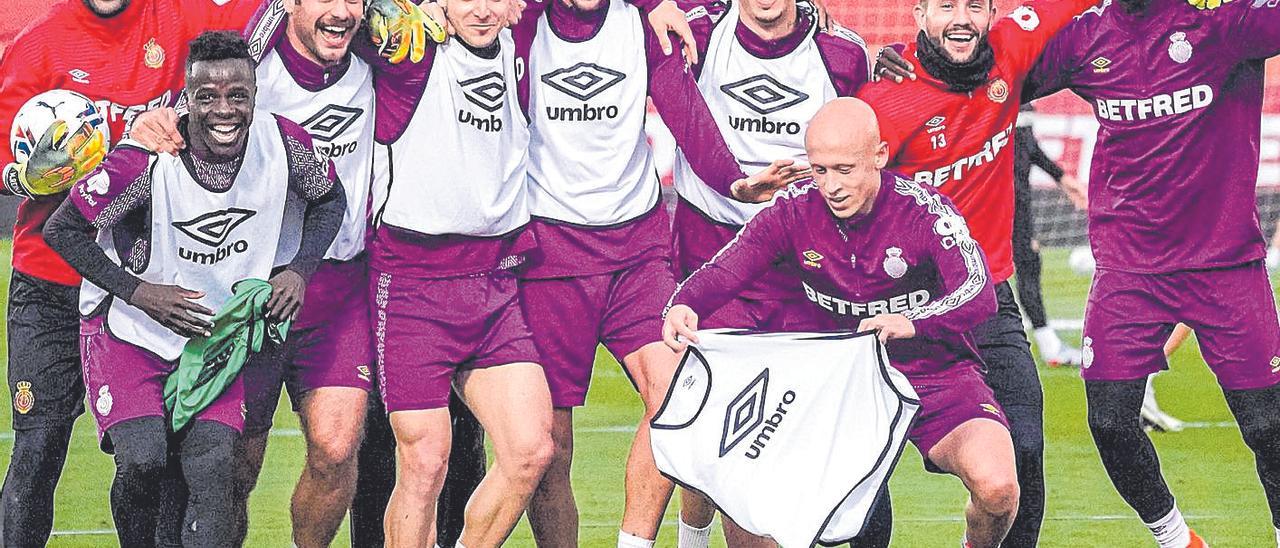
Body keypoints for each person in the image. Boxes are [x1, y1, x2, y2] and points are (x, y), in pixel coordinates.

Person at [663, 97, 1019, 548]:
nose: (831, 185)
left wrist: (911, 322)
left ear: (879, 156)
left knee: (998, 489)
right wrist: (684, 302)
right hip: (842, 384)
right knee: (794, 519)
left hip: (934, 373)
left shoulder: (926, 210)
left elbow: (979, 291)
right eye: (820, 170)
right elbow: (729, 267)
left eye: (845, 169)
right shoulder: (794, 209)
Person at [514, 0, 806, 545]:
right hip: (549, 260)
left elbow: (687, 115)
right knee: (548, 449)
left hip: (637, 254)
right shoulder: (526, 23)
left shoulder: (645, 24)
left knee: (679, 401)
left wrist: (737, 183)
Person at [42, 30, 346, 546]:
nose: (223, 110)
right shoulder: (146, 162)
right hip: (131, 333)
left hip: (213, 339)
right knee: (143, 459)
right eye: (207, 97)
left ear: (255, 96)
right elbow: (62, 230)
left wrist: (299, 268)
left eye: (237, 96)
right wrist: (138, 292)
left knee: (217, 466)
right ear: (187, 99)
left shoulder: (285, 144)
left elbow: (329, 200)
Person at [0, 1, 261, 545]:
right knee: (38, 449)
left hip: (144, 291)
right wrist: (41, 172)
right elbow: (6, 161)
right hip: (52, 285)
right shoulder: (40, 44)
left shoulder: (182, 22)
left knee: (155, 459)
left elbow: (267, 23)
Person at [1022, 0, 1280, 544]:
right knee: (1111, 422)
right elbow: (998, 78)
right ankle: (1178, 538)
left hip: (1226, 262)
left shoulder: (1221, 21)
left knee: (1269, 425)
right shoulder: (1085, 35)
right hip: (1129, 267)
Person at [857, 0, 1097, 542]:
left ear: (993, 14)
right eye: (946, 6)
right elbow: (842, 197)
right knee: (863, 472)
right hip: (896, 315)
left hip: (988, 301)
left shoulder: (1009, 52)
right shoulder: (884, 101)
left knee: (1027, 452)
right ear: (919, 14)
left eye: (975, 5)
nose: (961, 17)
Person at [661, 0, 876, 544]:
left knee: (787, 435)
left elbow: (867, 144)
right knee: (721, 420)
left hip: (805, 266)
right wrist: (736, 185)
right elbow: (671, 97)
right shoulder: (701, 34)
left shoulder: (842, 54)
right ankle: (693, 534)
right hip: (715, 251)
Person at [1012, 103, 1086, 367]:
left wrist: (1063, 178)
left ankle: (1049, 345)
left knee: (1027, 266)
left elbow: (1028, 148)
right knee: (1016, 269)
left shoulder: (1019, 100)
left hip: (1012, 204)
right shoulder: (998, 93)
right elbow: (1021, 155)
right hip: (999, 205)